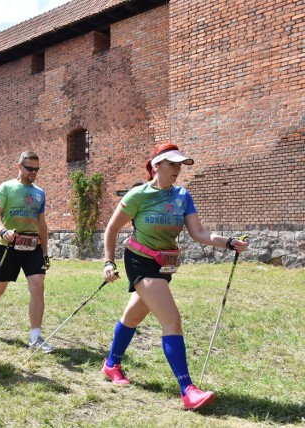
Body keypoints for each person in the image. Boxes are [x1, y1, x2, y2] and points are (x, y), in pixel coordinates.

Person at [100, 143, 248, 411]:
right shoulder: (138, 195)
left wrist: (228, 242)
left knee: (133, 315)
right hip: (140, 260)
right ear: (156, 165)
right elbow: (111, 229)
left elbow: (199, 234)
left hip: (164, 264)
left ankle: (111, 365)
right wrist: (108, 262)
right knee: (172, 320)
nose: (178, 169)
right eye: (173, 164)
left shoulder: (182, 196)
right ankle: (187, 390)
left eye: (180, 165)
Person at [0, 151, 53, 353]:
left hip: (32, 246)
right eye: (30, 168)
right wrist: (3, 230)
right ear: (19, 167)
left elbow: (42, 224)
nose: (34, 173)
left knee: (38, 286)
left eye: (37, 169)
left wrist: (45, 252)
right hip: (9, 244)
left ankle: (35, 337)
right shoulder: (6, 188)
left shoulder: (40, 192)